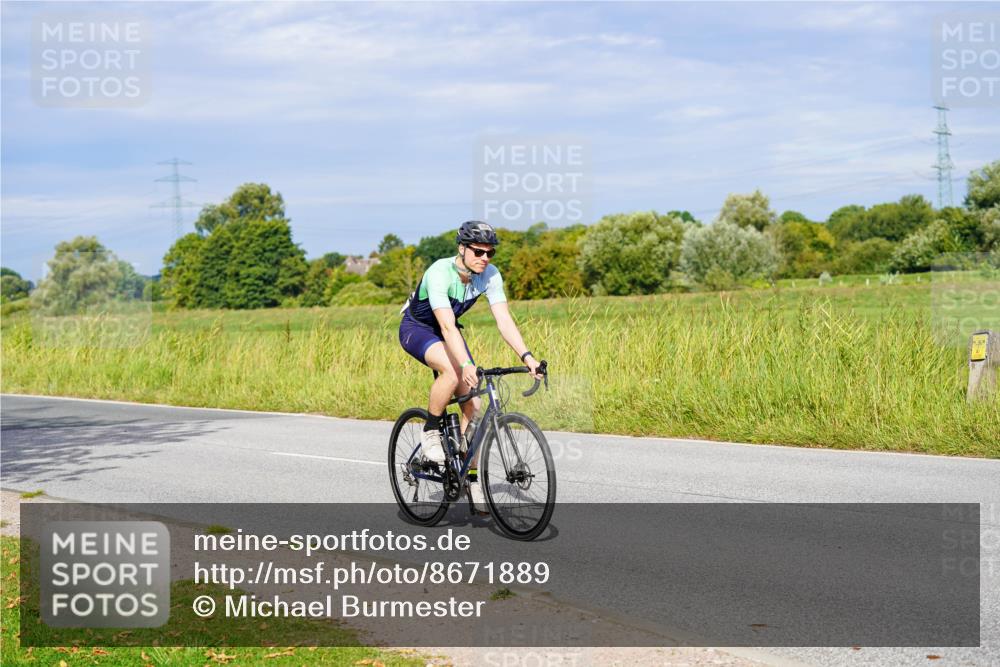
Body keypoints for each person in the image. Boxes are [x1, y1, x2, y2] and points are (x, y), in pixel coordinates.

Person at [398, 221, 542, 510]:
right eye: (478, 252)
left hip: (448, 330)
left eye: (490, 253)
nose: (484, 258)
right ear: (462, 249)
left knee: (474, 409)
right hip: (420, 328)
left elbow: (504, 320)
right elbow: (447, 327)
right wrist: (464, 364)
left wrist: (527, 357)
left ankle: (471, 477)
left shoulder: (489, 275)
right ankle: (430, 432)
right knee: (452, 372)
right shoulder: (439, 272)